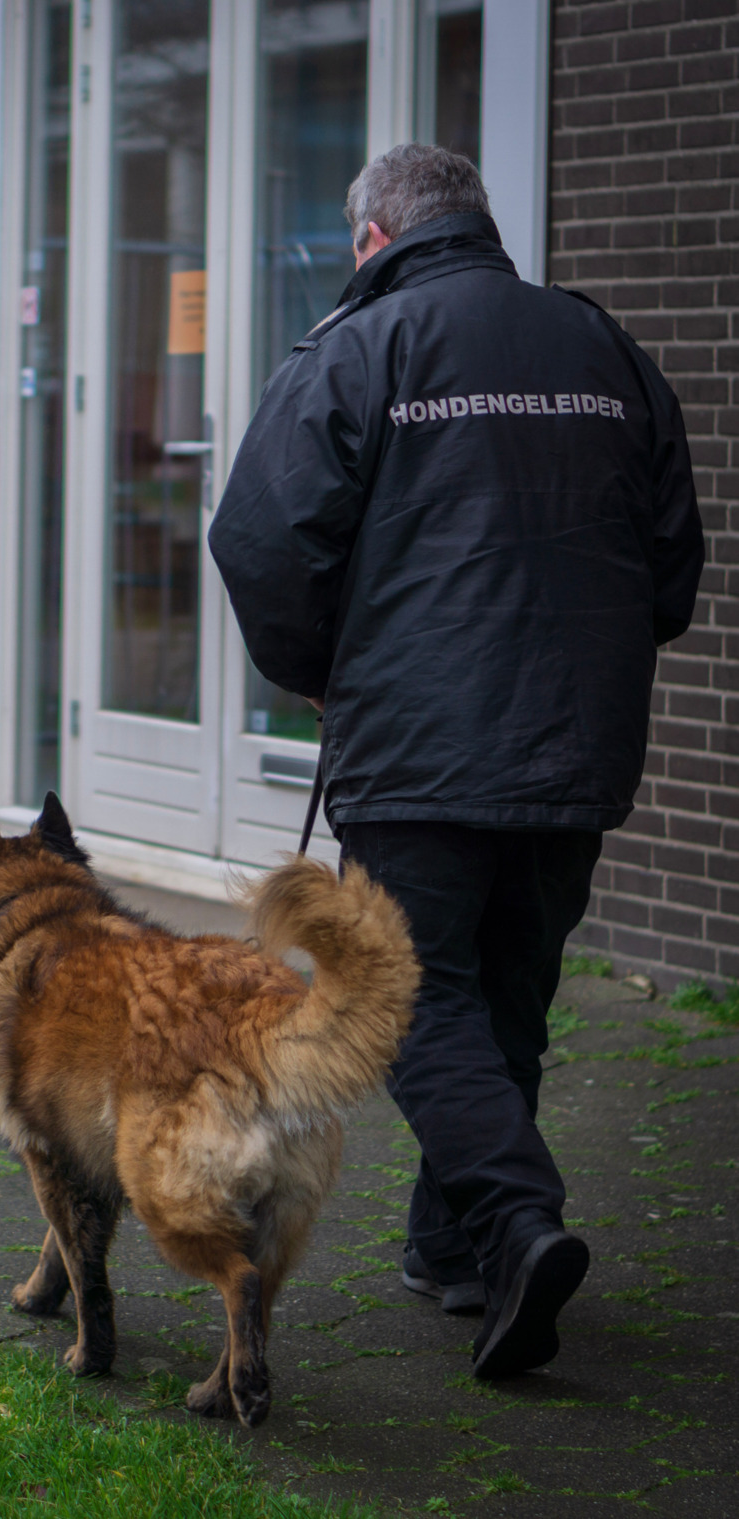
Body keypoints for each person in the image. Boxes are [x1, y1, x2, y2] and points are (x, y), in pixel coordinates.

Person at [208, 143, 704, 1379]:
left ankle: (519, 1216)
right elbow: (673, 561)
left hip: (423, 741)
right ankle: (461, 1251)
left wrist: (321, 670)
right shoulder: (604, 349)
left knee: (408, 998)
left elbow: (259, 540)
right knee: (505, 989)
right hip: (576, 742)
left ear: (373, 238)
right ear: (477, 224)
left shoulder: (357, 350)